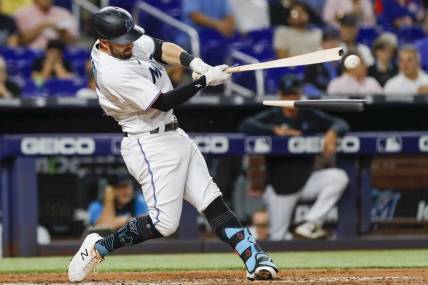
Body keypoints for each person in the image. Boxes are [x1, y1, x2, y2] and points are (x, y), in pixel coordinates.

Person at [68, 7, 278, 282]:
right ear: (104, 42)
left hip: (173, 135)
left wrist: (195, 64)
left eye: (129, 38)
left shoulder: (124, 42)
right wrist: (204, 81)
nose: (129, 44)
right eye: (122, 41)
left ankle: (254, 256)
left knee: (211, 200)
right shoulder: (111, 72)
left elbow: (158, 47)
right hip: (149, 145)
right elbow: (163, 101)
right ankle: (98, 247)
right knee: (164, 224)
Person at [239, 76, 349, 240]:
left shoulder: (308, 114)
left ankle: (311, 223)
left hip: (306, 181)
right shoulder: (273, 115)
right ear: (280, 96)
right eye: (287, 95)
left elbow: (341, 123)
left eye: (294, 95)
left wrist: (333, 132)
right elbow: (245, 125)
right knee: (278, 238)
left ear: (300, 95)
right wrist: (274, 130)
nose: (291, 99)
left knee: (338, 178)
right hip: (280, 189)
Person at [303, 28, 341, 97]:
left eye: (335, 40)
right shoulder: (314, 64)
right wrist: (322, 96)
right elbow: (307, 86)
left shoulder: (343, 64)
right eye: (328, 41)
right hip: (320, 101)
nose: (332, 44)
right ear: (322, 44)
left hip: (340, 99)